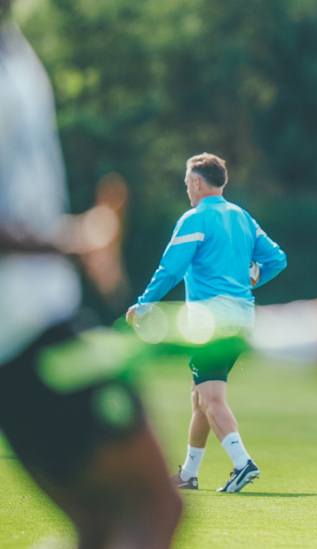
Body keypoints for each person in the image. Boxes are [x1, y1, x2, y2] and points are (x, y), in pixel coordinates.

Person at [0, 4, 182, 547]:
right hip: (29, 334)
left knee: (100, 526)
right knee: (152, 509)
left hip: (32, 329)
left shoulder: (13, 43)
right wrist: (75, 240)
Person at [126, 153, 287, 494]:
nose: (187, 189)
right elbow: (276, 259)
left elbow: (169, 269)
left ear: (197, 182)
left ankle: (242, 463)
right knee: (200, 397)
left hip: (209, 322)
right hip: (243, 319)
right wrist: (253, 277)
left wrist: (142, 307)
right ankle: (189, 473)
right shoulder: (242, 216)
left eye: (187, 183)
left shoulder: (194, 218)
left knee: (211, 397)